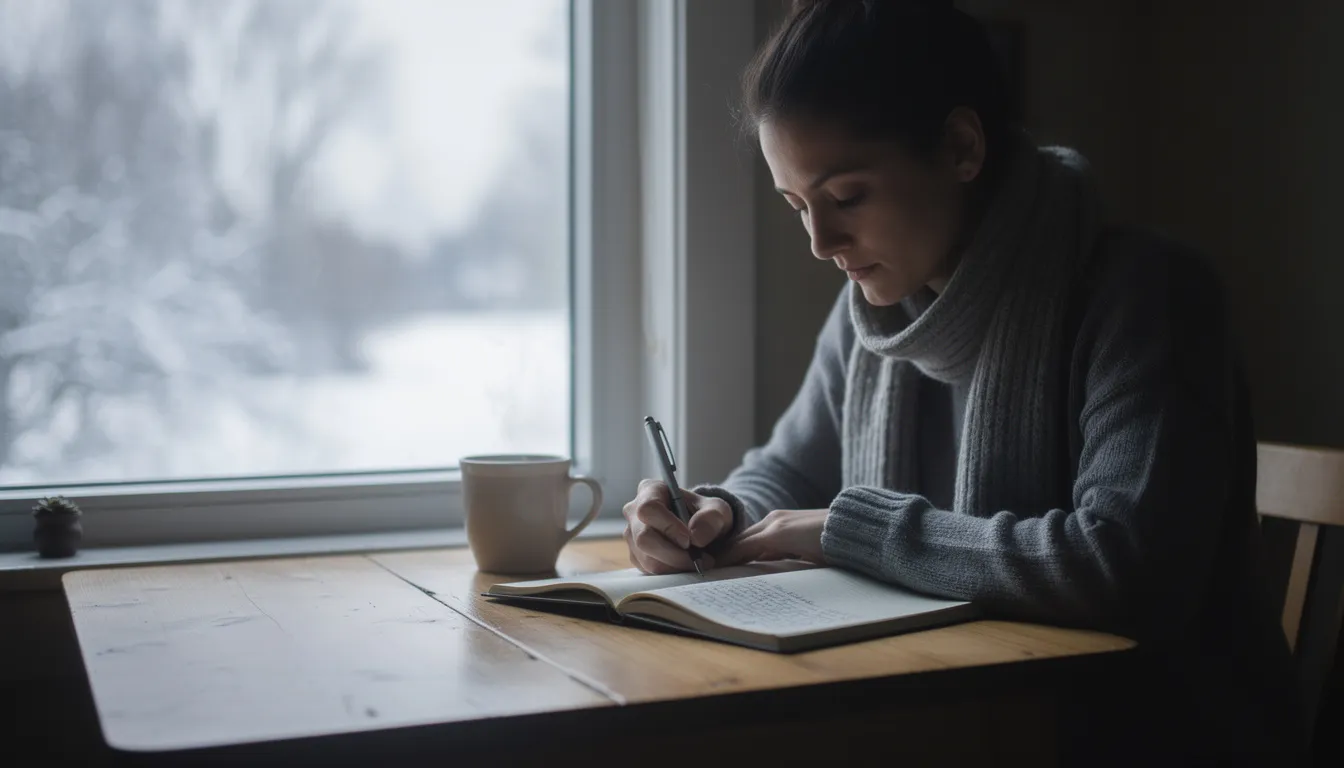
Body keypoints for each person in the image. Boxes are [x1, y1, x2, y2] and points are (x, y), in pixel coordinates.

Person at [620, 0, 1305, 763]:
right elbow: (788, 467)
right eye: (797, 206)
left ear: (959, 146)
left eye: (846, 197)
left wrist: (846, 531)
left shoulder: (1149, 297)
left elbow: (1121, 566)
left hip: (1154, 736)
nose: (820, 243)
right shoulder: (874, 315)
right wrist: (715, 510)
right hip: (954, 717)